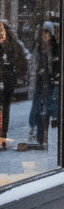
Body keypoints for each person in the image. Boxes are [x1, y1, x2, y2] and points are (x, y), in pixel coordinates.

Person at [0, 20, 29, 150]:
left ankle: (2, 137)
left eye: (2, 29)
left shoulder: (12, 45)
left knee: (4, 111)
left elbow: (22, 61)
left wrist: (14, 75)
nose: (1, 32)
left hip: (7, 83)